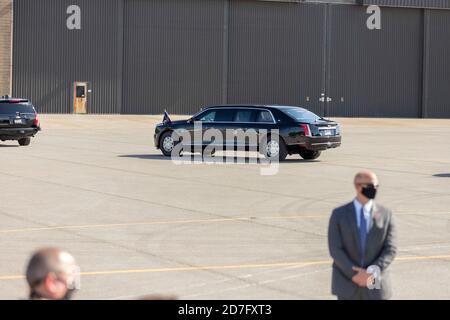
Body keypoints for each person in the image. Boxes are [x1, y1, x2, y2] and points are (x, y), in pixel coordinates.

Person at [328, 170, 397, 300]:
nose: (374, 189)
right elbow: (335, 248)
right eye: (371, 186)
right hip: (347, 282)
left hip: (375, 282)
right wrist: (354, 274)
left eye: (376, 186)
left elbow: (391, 249)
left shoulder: (386, 214)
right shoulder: (339, 214)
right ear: (358, 186)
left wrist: (371, 273)